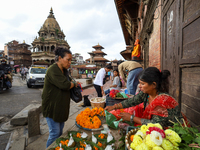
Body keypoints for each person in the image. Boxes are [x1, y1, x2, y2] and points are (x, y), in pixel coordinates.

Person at [105, 67, 184, 128]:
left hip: (170, 130)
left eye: (142, 84)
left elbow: (155, 125)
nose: (139, 86)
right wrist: (113, 107)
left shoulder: (163, 102)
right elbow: (132, 101)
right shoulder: (146, 93)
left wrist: (131, 118)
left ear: (153, 85)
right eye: (139, 83)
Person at [42, 48, 80, 148]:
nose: (70, 62)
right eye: (68, 59)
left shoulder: (64, 71)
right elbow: (65, 85)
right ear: (59, 58)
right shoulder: (53, 69)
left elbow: (69, 83)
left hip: (61, 108)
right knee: (55, 133)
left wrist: (73, 83)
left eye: (71, 60)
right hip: (52, 107)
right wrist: (74, 83)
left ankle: (57, 148)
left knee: (59, 133)